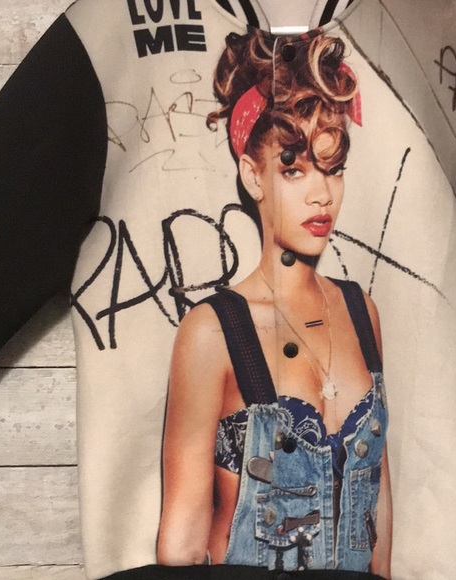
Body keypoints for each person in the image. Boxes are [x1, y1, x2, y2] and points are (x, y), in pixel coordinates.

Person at [157, 30, 392, 577]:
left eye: (333, 168)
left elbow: (378, 514)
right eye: (293, 167)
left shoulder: (362, 313)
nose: (321, 194)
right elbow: (181, 549)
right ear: (252, 176)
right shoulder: (213, 332)